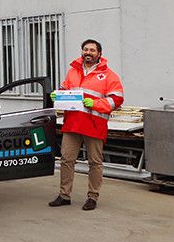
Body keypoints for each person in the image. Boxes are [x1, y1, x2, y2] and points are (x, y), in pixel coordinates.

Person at [49, 38, 124, 211]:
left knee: (95, 162)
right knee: (67, 159)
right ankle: (64, 195)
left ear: (99, 53)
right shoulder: (72, 72)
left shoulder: (108, 75)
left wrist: (96, 104)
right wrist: (57, 95)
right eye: (85, 49)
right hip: (73, 123)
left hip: (94, 124)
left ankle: (92, 197)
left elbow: (117, 99)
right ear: (82, 51)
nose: (88, 52)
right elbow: (64, 90)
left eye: (92, 50)